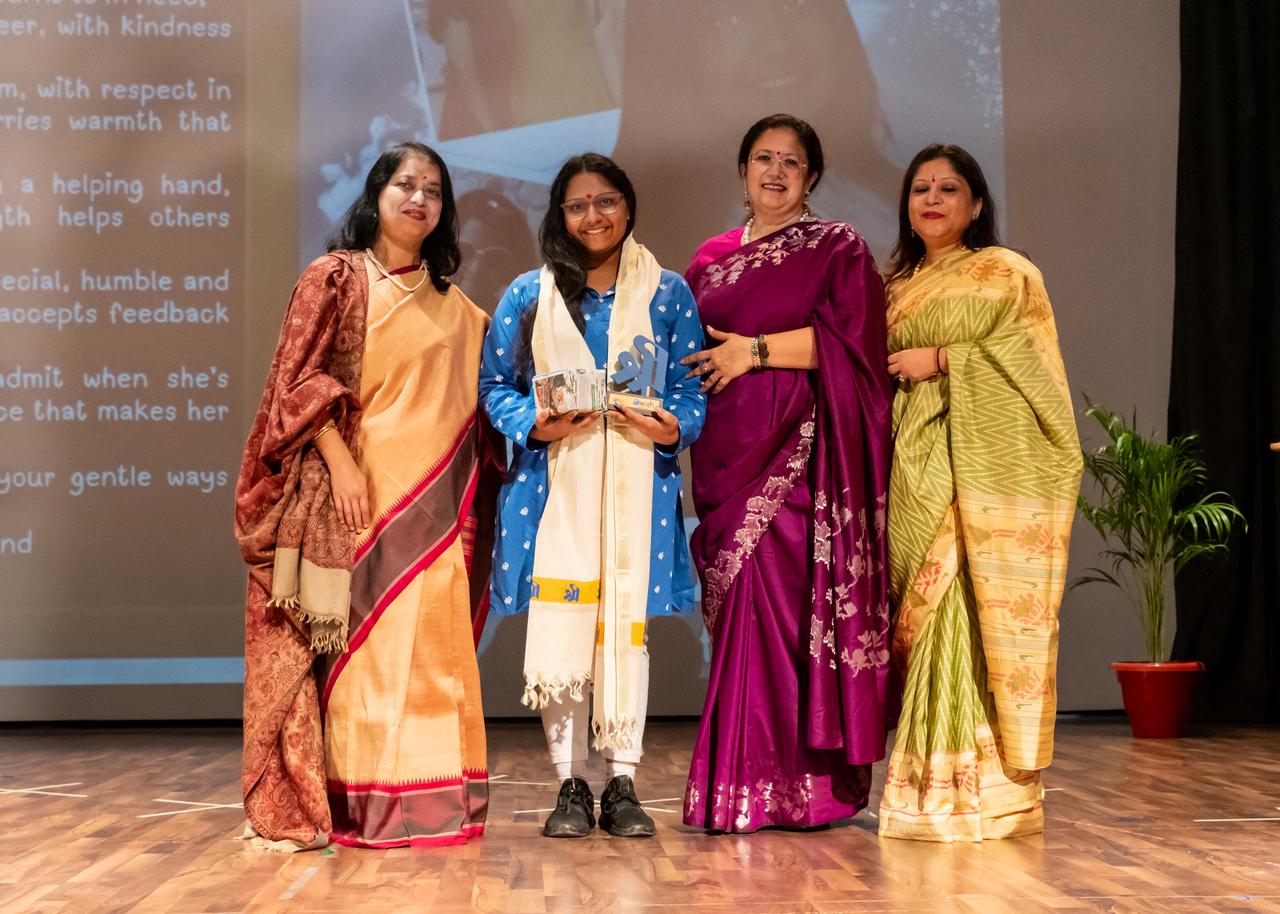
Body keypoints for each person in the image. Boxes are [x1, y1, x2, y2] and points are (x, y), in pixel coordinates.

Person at [235, 142, 500, 850]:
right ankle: (359, 807)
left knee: (434, 658)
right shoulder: (336, 280)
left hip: (438, 515)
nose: (419, 199)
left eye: (434, 190)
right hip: (356, 504)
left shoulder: (459, 310)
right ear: (377, 194)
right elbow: (295, 384)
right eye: (405, 184)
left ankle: (434, 804)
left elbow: (490, 398)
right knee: (367, 661)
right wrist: (341, 464)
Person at [479, 153, 706, 838]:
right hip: (554, 488)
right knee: (566, 625)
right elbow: (495, 387)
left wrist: (673, 424)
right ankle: (570, 783)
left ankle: (623, 780)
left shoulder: (667, 293)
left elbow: (690, 391)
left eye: (605, 200)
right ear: (560, 215)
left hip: (639, 486)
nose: (592, 216)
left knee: (623, 628)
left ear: (628, 206)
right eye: (577, 205)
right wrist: (533, 422)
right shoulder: (529, 295)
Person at [679, 114, 894, 833]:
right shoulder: (709, 260)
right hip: (722, 457)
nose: (775, 172)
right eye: (763, 158)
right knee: (738, 620)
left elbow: (856, 344)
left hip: (798, 463)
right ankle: (739, 786)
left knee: (784, 621)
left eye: (791, 162)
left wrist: (754, 352)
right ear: (743, 170)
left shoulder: (837, 248)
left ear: (812, 177)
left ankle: (800, 790)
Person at [878, 144, 1082, 842]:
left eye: (948, 188)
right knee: (924, 617)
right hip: (910, 468)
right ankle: (922, 789)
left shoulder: (1007, 274)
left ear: (976, 204)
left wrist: (944, 359)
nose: (932, 200)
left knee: (963, 618)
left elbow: (1037, 375)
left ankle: (982, 795)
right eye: (920, 189)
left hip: (978, 472)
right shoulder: (893, 287)